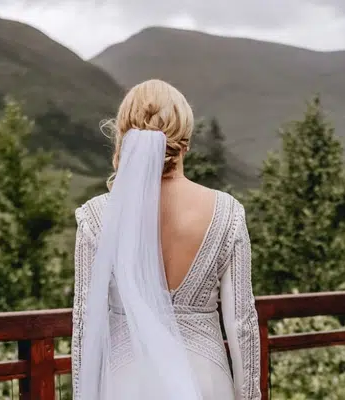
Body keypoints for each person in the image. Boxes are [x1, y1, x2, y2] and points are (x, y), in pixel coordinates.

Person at [71, 79, 262, 400]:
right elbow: (242, 324)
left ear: (123, 135)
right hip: (207, 383)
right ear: (185, 140)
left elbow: (85, 324)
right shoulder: (227, 212)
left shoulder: (96, 216)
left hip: (126, 384)